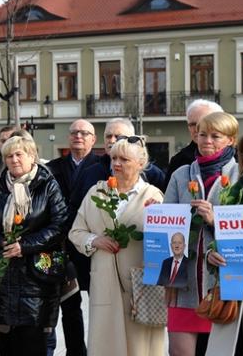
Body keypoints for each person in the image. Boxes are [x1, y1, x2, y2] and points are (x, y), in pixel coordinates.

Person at [69, 136, 165, 355]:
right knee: (106, 344)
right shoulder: (97, 192)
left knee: (140, 346)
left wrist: (156, 216)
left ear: (141, 164)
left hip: (141, 286)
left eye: (124, 159)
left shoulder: (153, 196)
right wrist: (95, 240)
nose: (116, 164)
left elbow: (166, 243)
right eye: (113, 158)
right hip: (105, 282)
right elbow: (75, 232)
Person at [0, 135, 68, 356]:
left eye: (19, 154)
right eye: (9, 155)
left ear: (32, 156)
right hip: (3, 276)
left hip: (36, 277)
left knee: (32, 343)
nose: (14, 159)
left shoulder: (47, 185)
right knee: (7, 343)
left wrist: (24, 245)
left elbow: (60, 224)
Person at [163, 111, 239, 356]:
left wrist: (215, 220)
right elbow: (166, 228)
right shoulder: (181, 174)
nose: (206, 140)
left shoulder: (240, 176)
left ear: (231, 140)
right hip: (183, 286)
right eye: (202, 134)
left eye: (215, 136)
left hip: (223, 285)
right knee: (179, 352)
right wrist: (166, 278)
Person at [203, 126, 243, 355]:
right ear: (242, 159)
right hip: (232, 292)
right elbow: (216, 239)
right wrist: (210, 255)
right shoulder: (230, 194)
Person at [46, 119, 99, 356]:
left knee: (100, 304)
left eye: (84, 133)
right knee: (69, 304)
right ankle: (76, 351)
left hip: (93, 244)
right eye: (74, 132)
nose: (78, 136)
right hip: (63, 246)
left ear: (93, 139)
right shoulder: (54, 167)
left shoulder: (103, 165)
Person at [166, 100, 223, 183]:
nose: (198, 128)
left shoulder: (240, 157)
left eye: (204, 123)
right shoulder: (178, 161)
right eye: (193, 124)